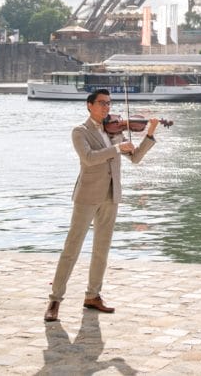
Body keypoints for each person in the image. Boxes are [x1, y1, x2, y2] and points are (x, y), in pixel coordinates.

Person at [44, 89, 159, 322]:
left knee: (102, 250)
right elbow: (89, 157)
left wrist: (149, 134)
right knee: (72, 248)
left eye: (109, 103)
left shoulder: (114, 132)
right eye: (102, 103)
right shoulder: (80, 131)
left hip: (111, 195)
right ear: (89, 105)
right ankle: (55, 299)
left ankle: (92, 296)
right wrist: (117, 148)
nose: (107, 107)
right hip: (87, 196)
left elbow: (135, 158)